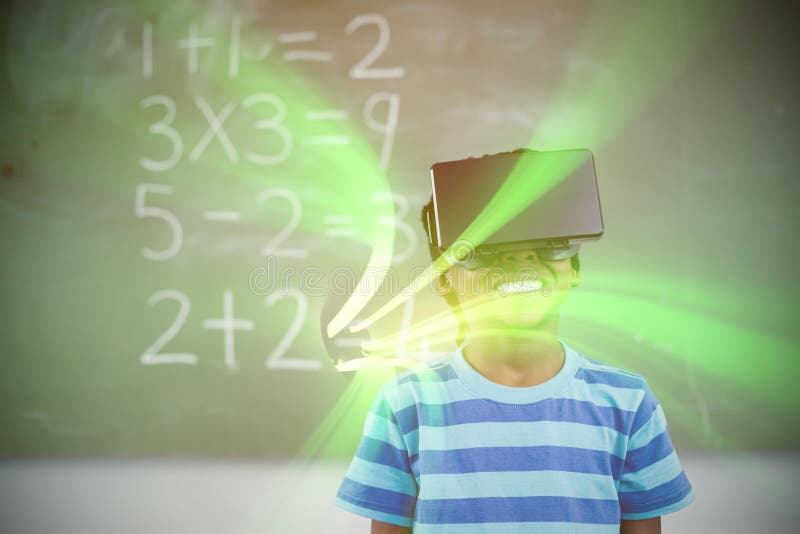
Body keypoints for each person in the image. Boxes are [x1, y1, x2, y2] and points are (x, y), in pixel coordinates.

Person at [335, 151, 694, 533]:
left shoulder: (628, 402)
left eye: (550, 244)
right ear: (442, 277)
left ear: (574, 268)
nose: (520, 259)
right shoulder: (405, 405)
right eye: (484, 251)